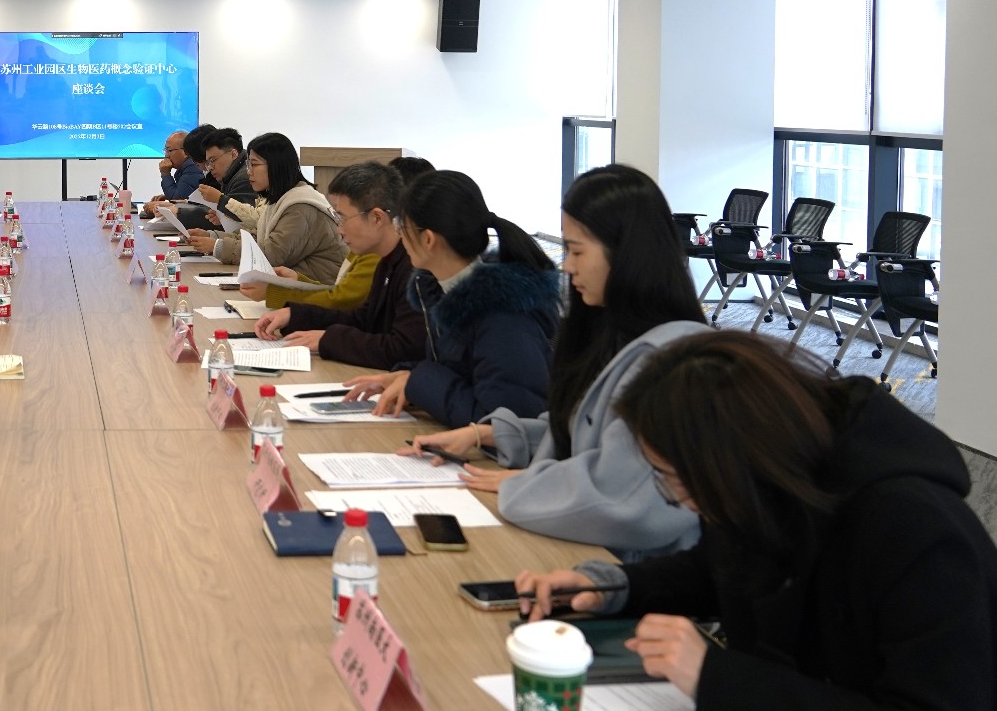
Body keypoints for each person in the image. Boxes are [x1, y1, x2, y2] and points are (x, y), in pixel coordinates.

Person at [515, 332, 997, 709]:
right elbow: (718, 571)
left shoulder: (917, 533)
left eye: (677, 479)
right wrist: (613, 586)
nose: (680, 501)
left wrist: (716, 677)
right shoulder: (770, 487)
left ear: (735, 460)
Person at [404, 165, 706, 559]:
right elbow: (584, 430)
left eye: (577, 251)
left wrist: (525, 486)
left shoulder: (672, 358)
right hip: (592, 547)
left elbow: (628, 499)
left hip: (639, 566)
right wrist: (487, 435)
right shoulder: (608, 329)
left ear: (625, 252)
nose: (567, 265)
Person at [342, 170, 557, 426]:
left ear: (428, 239)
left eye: (402, 227)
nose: (399, 236)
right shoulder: (443, 291)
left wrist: (417, 382)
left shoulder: (502, 316)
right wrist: (406, 376)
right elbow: (459, 374)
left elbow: (502, 424)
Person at [254, 159, 434, 369]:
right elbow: (363, 319)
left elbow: (403, 350)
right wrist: (294, 315)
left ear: (376, 218)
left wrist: (328, 340)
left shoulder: (415, 268)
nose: (339, 230)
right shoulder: (387, 259)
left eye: (342, 218)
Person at [246, 156, 436, 311]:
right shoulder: (369, 244)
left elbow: (341, 303)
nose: (340, 229)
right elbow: (342, 297)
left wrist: (275, 292)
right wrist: (298, 281)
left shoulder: (382, 251)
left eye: (254, 164)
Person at [186, 133, 346, 284]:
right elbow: (257, 238)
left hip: (319, 291)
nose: (248, 171)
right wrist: (213, 236)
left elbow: (271, 255)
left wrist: (217, 246)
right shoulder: (279, 199)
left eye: (254, 164)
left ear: (276, 166)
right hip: (294, 287)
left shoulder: (300, 207)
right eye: (248, 164)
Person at [157, 129, 203, 201]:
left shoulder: (192, 169)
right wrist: (166, 196)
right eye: (165, 150)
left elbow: (177, 200)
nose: (166, 155)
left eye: (169, 150)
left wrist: (165, 174)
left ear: (185, 151)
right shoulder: (186, 167)